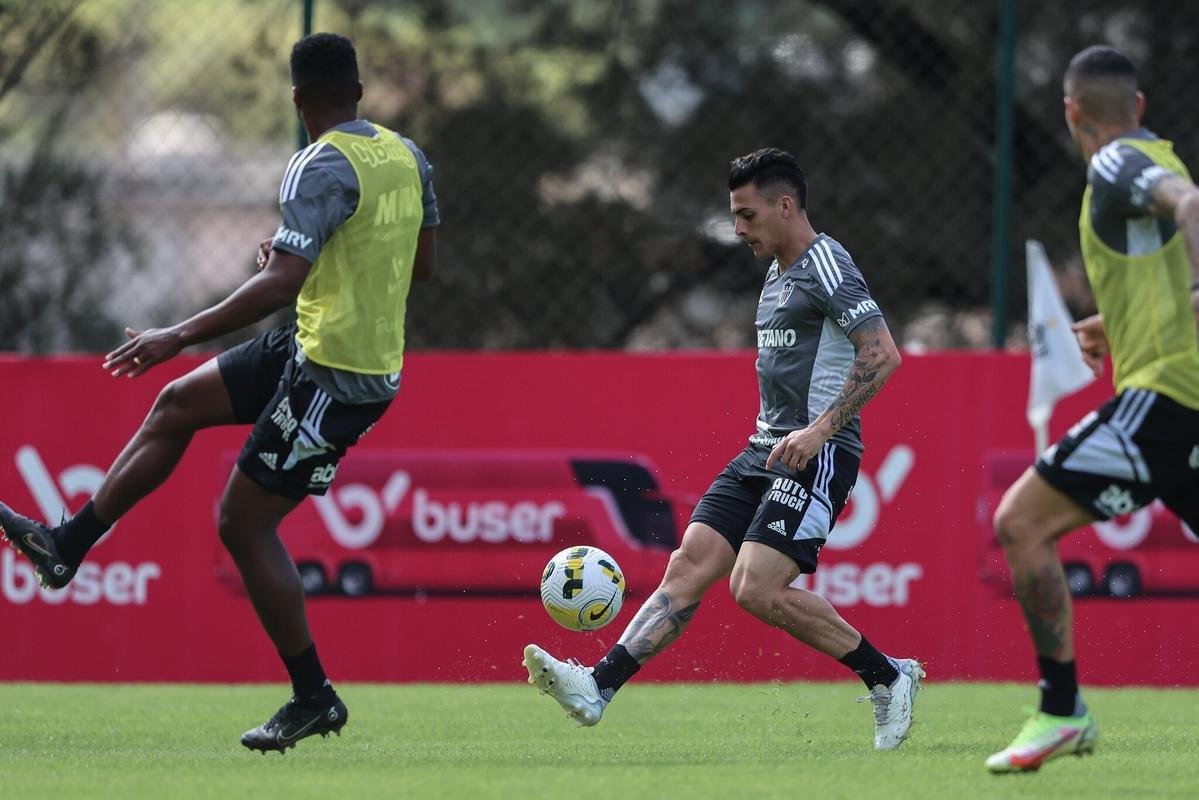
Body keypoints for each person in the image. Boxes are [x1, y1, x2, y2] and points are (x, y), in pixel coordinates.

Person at [0, 32, 440, 753]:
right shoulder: (406, 155)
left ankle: (313, 698)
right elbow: (419, 264)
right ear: (357, 93)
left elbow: (280, 281)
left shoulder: (315, 163)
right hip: (314, 341)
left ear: (298, 98)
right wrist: (303, 263)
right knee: (175, 405)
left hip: (338, 375)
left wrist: (175, 332)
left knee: (242, 523)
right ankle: (65, 546)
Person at [523, 147, 923, 750]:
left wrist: (818, 431)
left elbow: (882, 353)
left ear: (785, 206)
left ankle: (888, 676)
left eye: (747, 215)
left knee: (754, 588)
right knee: (687, 565)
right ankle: (596, 688)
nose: (737, 230)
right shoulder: (775, 274)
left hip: (818, 452)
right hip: (762, 450)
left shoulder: (828, 265)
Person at [987, 45, 1199, 773]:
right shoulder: (1163, 155)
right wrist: (1112, 323)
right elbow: (1167, 264)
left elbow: (1193, 210)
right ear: (1137, 105)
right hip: (1180, 395)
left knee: (1018, 523)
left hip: (1167, 398)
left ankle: (1059, 710)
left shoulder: (1113, 162)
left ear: (1071, 111)